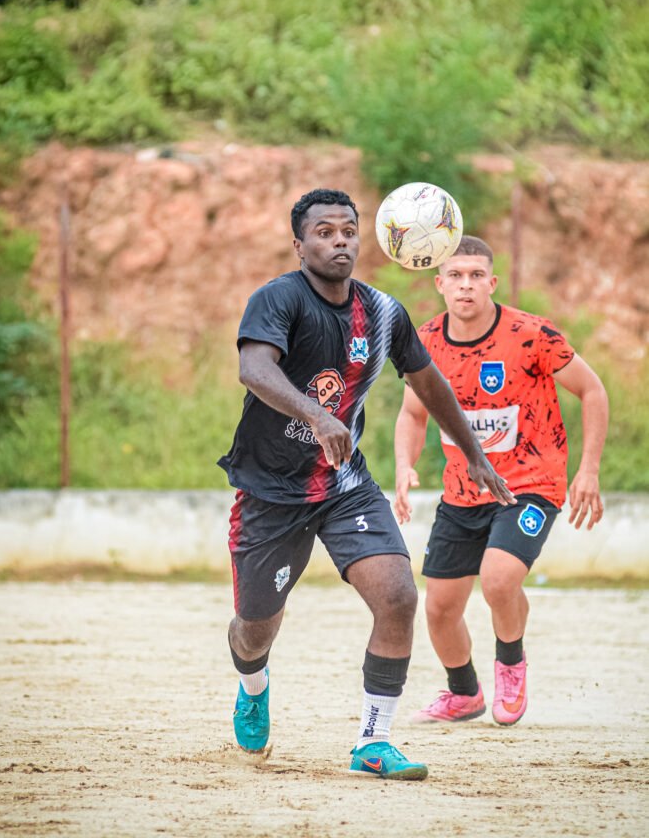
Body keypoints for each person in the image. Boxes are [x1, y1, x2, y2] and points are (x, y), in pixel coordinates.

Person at [218, 190, 514, 779]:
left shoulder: (383, 314)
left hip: (344, 485)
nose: (339, 241)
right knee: (255, 629)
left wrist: (475, 454)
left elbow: (430, 385)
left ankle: (373, 741)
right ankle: (254, 685)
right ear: (298, 242)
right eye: (324, 232)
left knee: (399, 596)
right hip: (271, 491)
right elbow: (254, 369)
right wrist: (320, 416)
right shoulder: (278, 299)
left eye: (349, 231)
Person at [394, 235, 608, 726]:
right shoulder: (424, 342)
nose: (465, 285)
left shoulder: (531, 335)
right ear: (440, 284)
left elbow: (592, 391)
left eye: (475, 276)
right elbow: (412, 415)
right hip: (462, 492)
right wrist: (405, 466)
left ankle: (511, 664)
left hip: (531, 482)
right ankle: (464, 694)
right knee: (440, 609)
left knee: (498, 579)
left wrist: (589, 470)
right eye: (455, 276)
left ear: (492, 282)